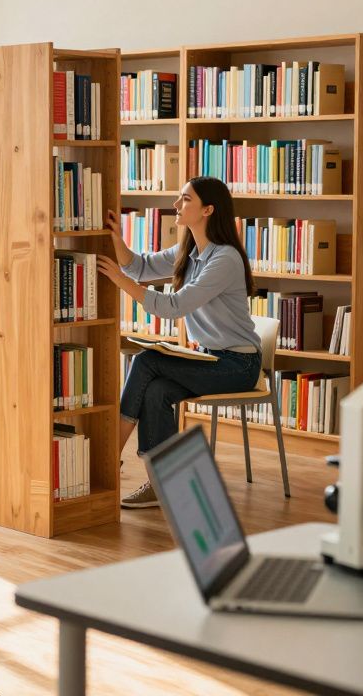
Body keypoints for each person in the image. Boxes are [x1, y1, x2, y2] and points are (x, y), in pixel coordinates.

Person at [98, 176, 262, 509]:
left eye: (185, 199)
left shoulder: (225, 259)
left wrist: (119, 280)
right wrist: (117, 239)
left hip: (238, 365)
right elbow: (141, 267)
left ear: (208, 210)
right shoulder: (188, 251)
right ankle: (165, 484)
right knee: (156, 391)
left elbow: (173, 307)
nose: (176, 205)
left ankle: (108, 455)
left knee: (145, 361)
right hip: (210, 359)